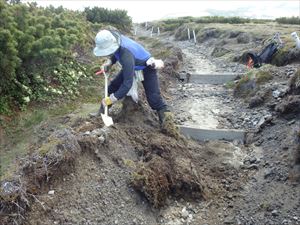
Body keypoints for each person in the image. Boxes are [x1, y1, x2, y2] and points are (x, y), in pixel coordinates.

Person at [91, 29, 172, 127]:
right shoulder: (113, 37)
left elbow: (127, 84)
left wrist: (111, 99)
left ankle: (167, 124)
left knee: (154, 99)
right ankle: (101, 114)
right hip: (132, 64)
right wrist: (110, 62)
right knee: (112, 88)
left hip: (146, 68)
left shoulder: (126, 55)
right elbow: (116, 53)